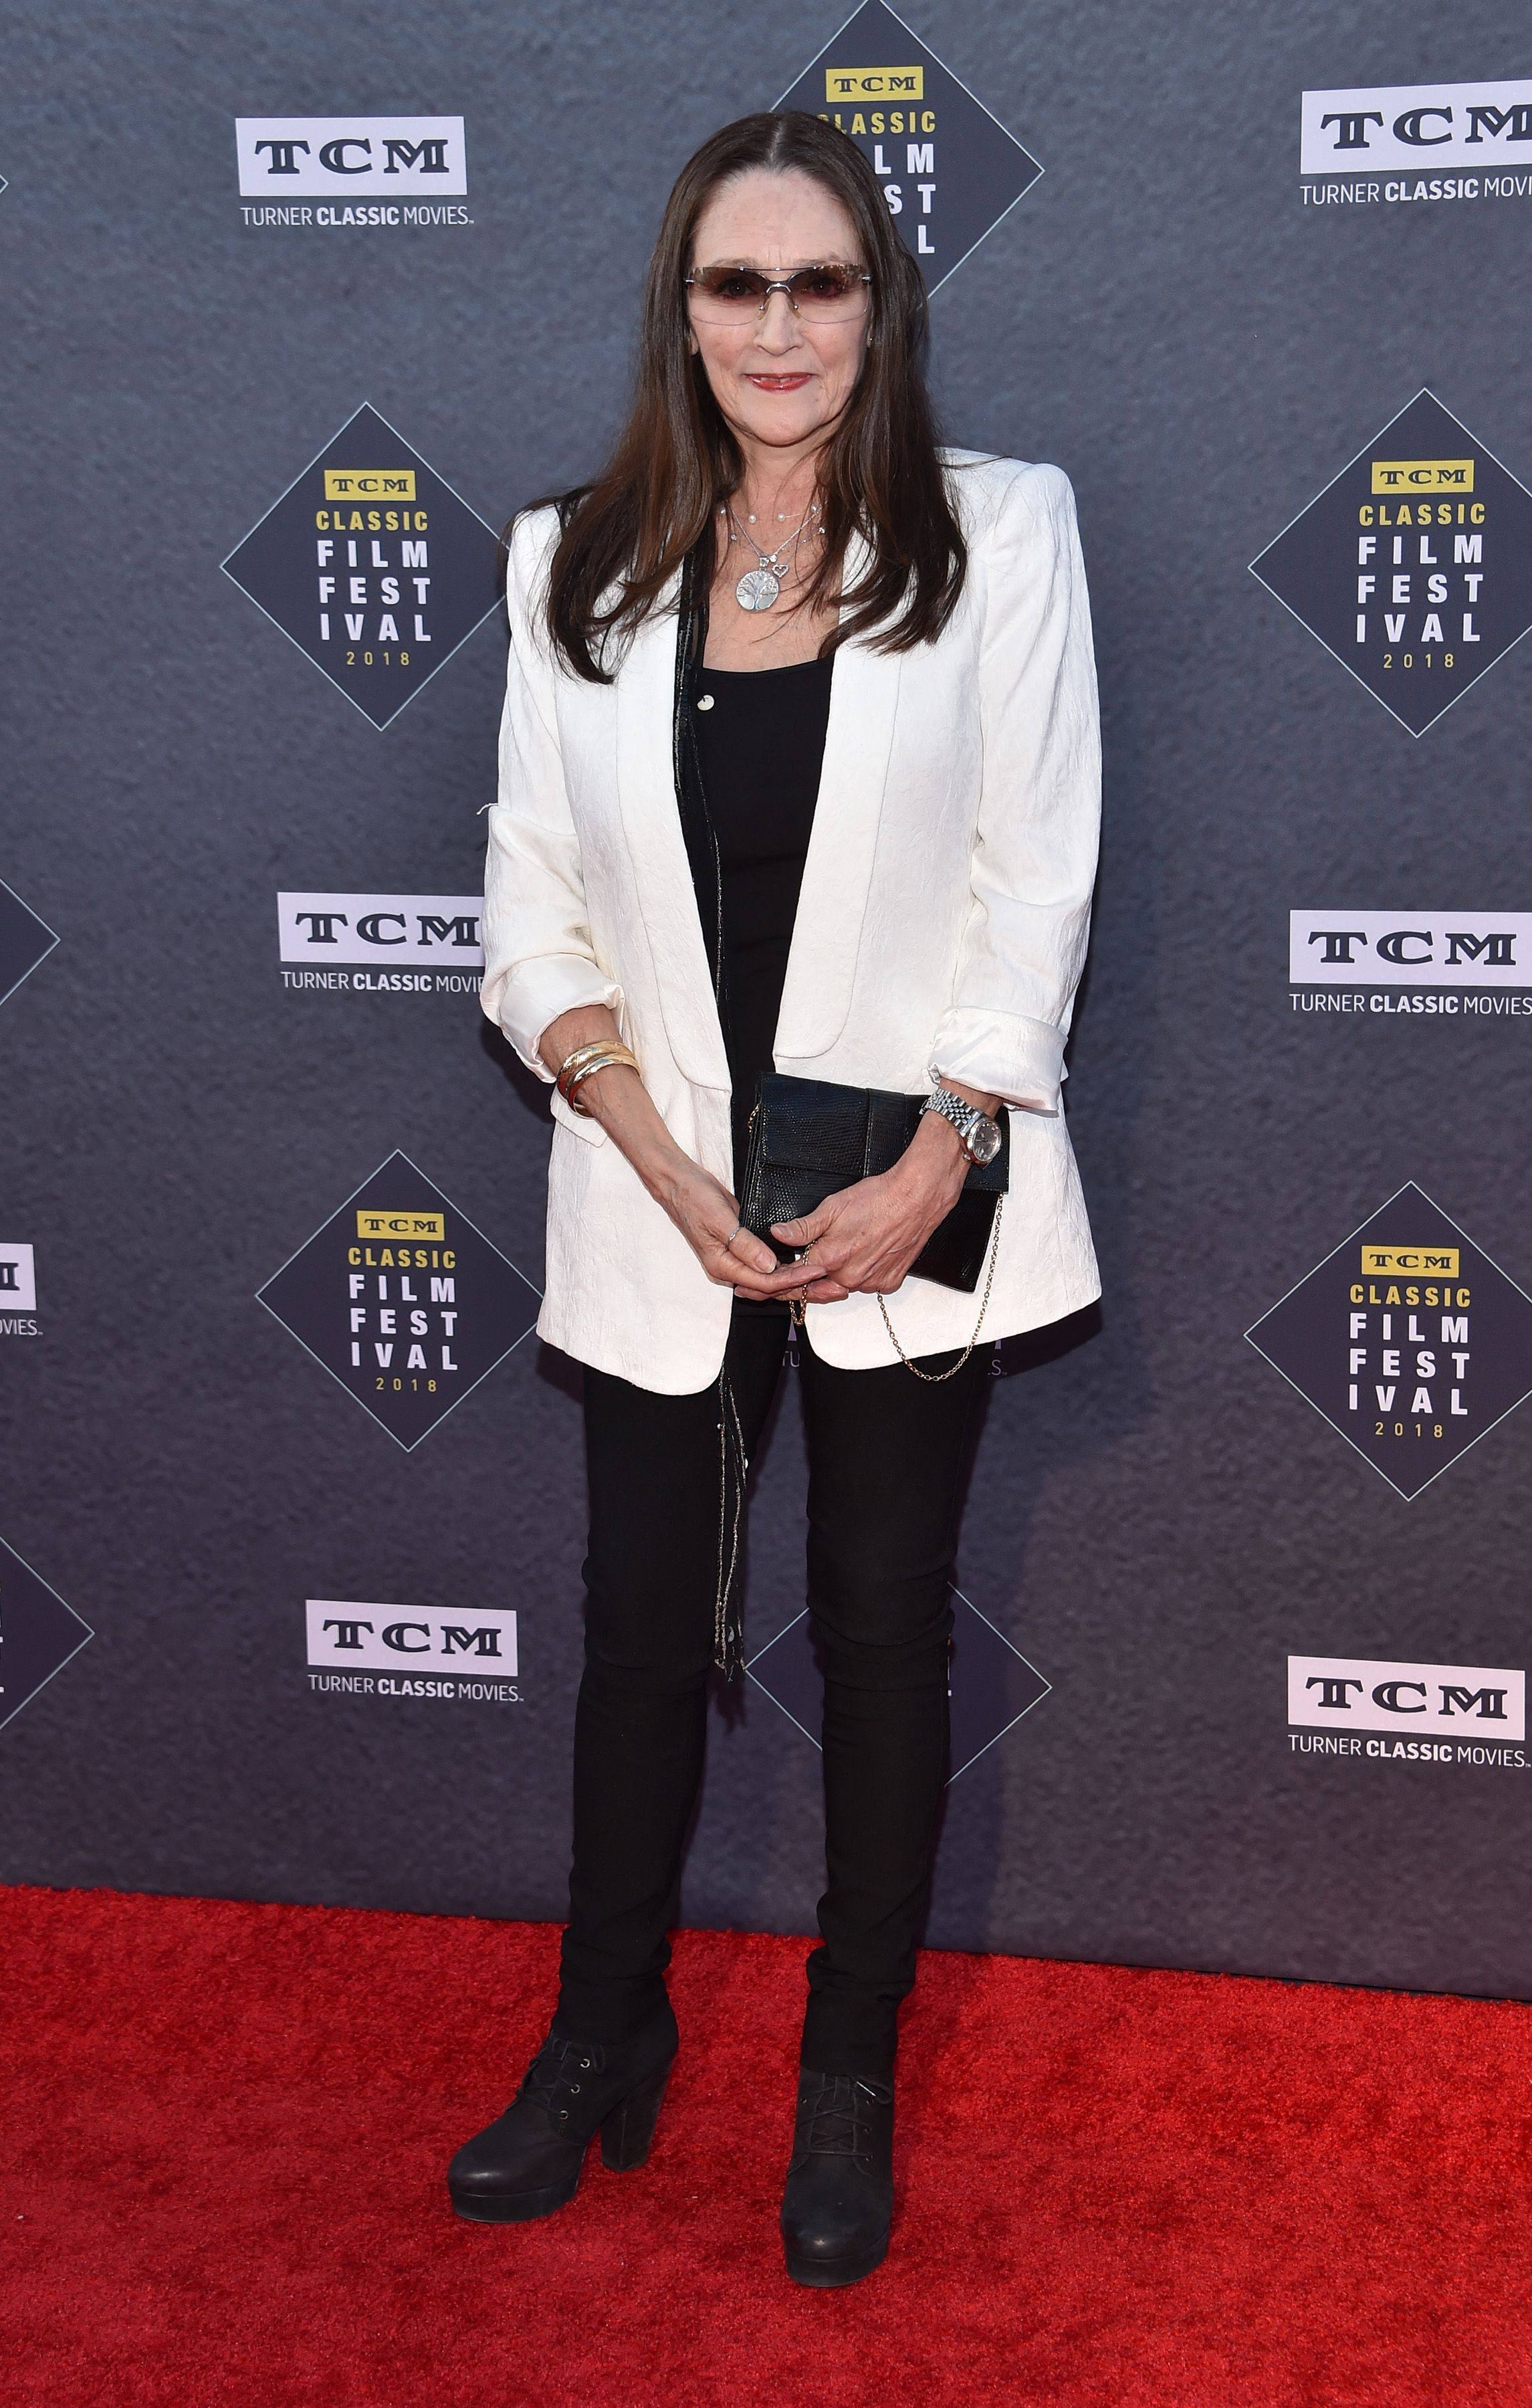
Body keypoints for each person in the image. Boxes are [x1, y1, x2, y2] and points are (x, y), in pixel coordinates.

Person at [451, 108, 1101, 2288]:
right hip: (657, 1197)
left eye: (819, 281)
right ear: (683, 307)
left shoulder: (999, 535)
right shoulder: (574, 558)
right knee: (637, 1642)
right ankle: (598, 2036)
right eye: (737, 284)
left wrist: (941, 1157)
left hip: (907, 1199)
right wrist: (643, 1143)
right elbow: (528, 906)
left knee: (887, 1643)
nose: (777, 325)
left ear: (877, 303)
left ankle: (845, 2071)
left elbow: (1039, 884)